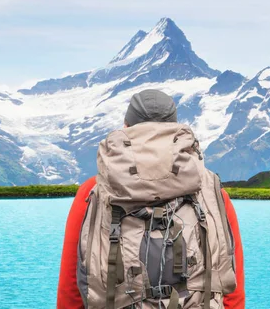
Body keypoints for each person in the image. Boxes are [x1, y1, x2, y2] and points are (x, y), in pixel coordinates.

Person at [57, 89, 245, 308]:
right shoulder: (210, 189)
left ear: (126, 129)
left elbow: (73, 283)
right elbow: (230, 278)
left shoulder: (94, 190)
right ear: (175, 131)